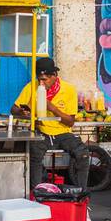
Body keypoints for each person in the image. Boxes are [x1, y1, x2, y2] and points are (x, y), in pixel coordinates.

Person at [11, 56, 90, 190]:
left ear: (54, 75)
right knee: (34, 155)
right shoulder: (32, 86)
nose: (41, 83)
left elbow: (70, 122)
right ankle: (37, 192)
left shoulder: (69, 89)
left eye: (44, 79)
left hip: (63, 133)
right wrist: (21, 112)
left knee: (82, 154)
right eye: (39, 79)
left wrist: (52, 108)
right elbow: (13, 109)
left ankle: (80, 192)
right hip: (41, 132)